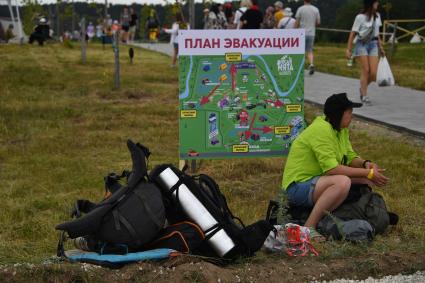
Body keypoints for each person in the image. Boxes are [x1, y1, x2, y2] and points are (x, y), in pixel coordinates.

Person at [281, 92, 389, 238]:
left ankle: (328, 218)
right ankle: (308, 229)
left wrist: (366, 164)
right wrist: (367, 172)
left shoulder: (340, 130)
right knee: (342, 182)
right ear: (339, 114)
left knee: (364, 181)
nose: (352, 116)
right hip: (296, 187)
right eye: (349, 112)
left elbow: (350, 156)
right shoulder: (321, 129)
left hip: (316, 181)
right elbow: (332, 169)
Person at [346, 0, 385, 106]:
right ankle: (364, 95)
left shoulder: (377, 16)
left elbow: (377, 34)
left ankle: (362, 88)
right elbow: (352, 33)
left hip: (373, 44)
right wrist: (348, 49)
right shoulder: (360, 17)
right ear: (370, 4)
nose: (378, 4)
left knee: (373, 74)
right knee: (366, 70)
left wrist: (381, 47)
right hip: (361, 44)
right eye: (376, 2)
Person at [295, 0, 320, 75]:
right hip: (311, 33)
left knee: (300, 51)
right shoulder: (315, 9)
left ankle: (299, 67)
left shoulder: (300, 9)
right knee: (309, 50)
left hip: (301, 33)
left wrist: (294, 30)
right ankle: (311, 64)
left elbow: (297, 22)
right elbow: (318, 22)